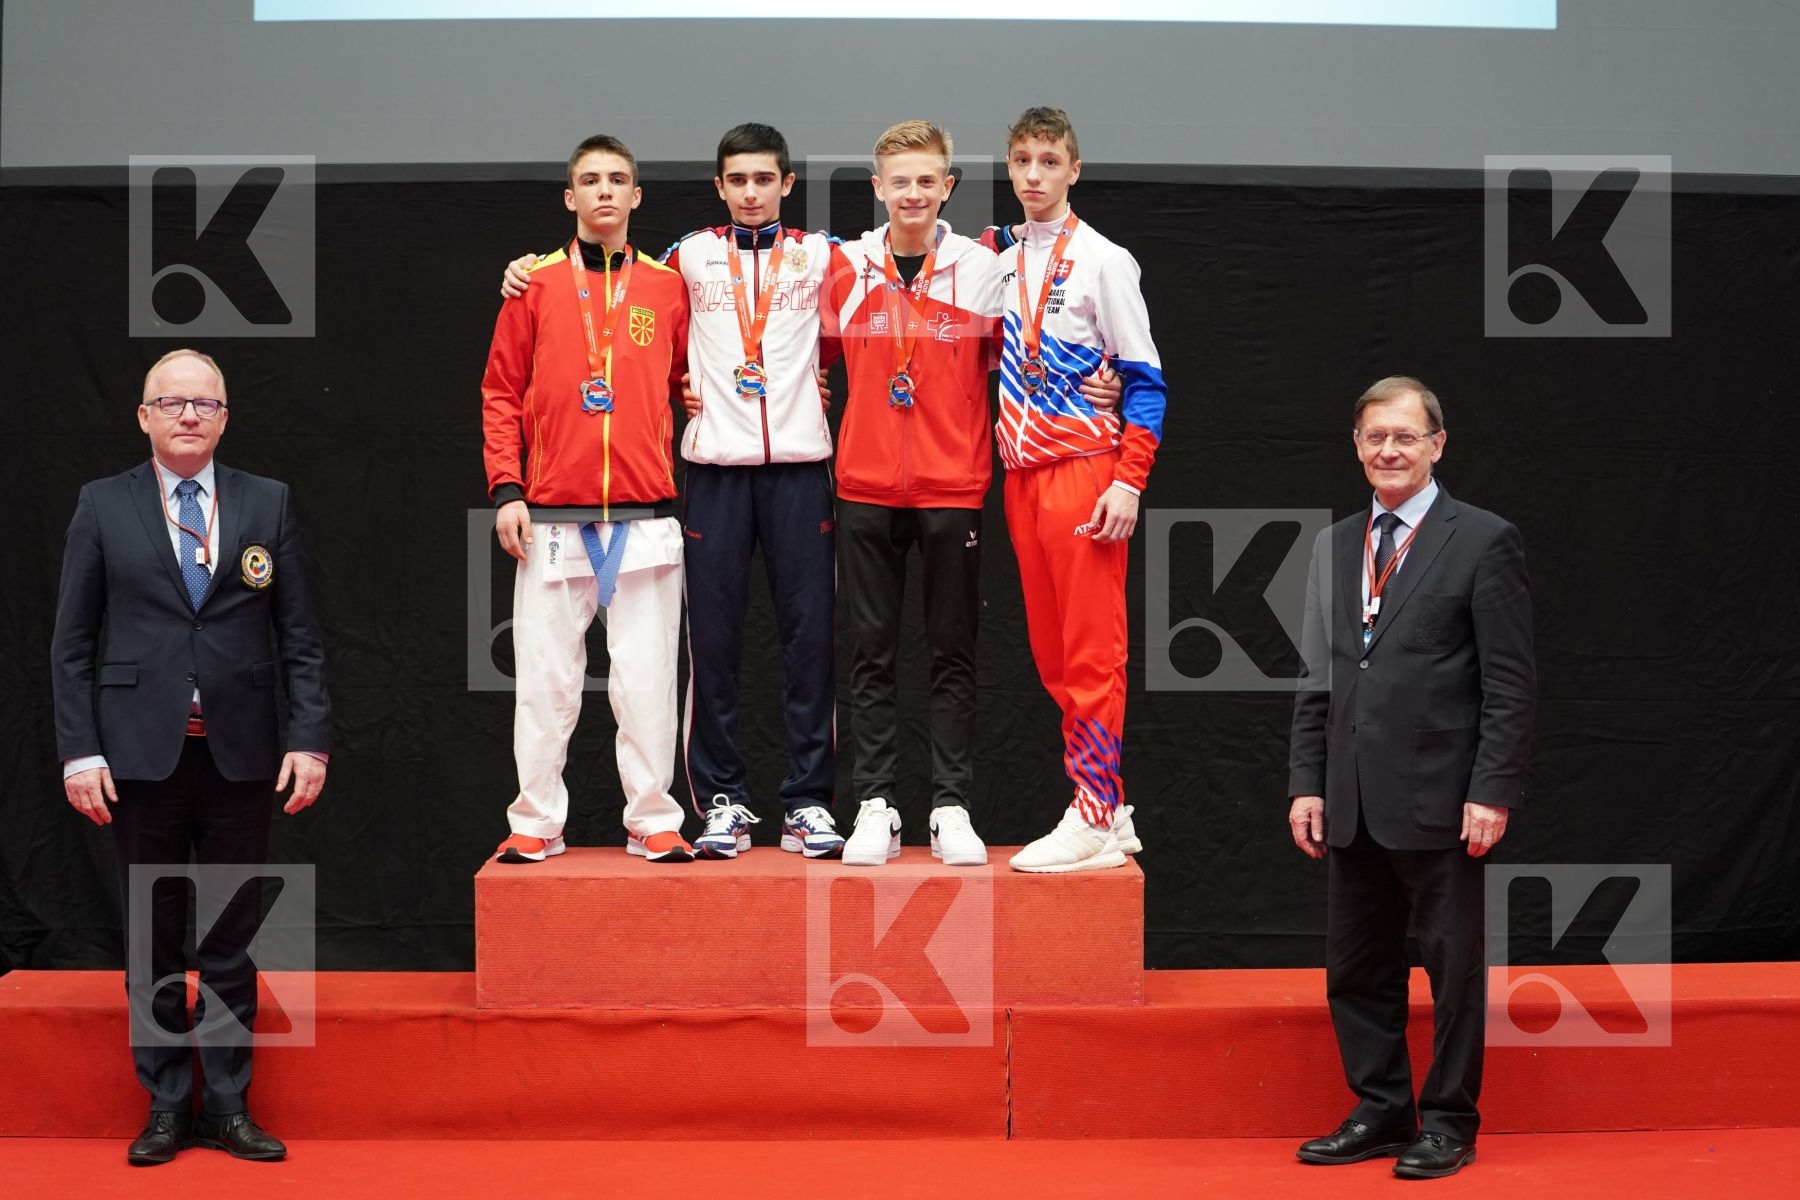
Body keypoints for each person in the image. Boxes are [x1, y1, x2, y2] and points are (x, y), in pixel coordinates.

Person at [504, 124, 848, 860]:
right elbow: (522, 377)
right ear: (718, 188)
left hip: (772, 477)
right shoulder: (673, 262)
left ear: (787, 184)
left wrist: (814, 383)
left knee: (792, 647)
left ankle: (796, 803)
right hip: (683, 481)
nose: (751, 191)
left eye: (765, 178)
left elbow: (885, 305)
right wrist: (507, 485)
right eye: (737, 180)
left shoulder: (809, 256)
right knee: (690, 654)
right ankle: (712, 803)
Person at [51, 348, 331, 1165]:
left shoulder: (266, 503)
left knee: (232, 938)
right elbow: (71, 645)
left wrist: (309, 736)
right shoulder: (102, 505)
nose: (187, 416)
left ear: (225, 416)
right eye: (170, 403)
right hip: (139, 757)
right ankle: (169, 1106)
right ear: (144, 417)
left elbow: (302, 637)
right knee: (152, 936)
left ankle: (231, 1105)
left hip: (243, 755)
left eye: (204, 404)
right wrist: (78, 752)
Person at [1286, 376, 1535, 1180]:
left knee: (1452, 968)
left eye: (1404, 436)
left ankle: (1450, 1121)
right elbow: (1318, 677)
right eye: (1373, 437)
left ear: (1437, 445)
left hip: (1444, 800)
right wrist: (1307, 782)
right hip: (1351, 798)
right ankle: (1383, 1109)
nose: (1388, 450)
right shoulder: (1333, 545)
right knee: (1355, 969)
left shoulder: (1485, 539)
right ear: (1356, 447)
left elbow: (1511, 682)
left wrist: (1492, 789)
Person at [483, 133, 693, 864]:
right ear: (571, 198)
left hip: (645, 514)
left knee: (647, 682)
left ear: (637, 197)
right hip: (550, 517)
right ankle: (536, 821)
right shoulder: (533, 285)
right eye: (590, 181)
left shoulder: (670, 287)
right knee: (544, 684)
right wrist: (507, 488)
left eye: (619, 181)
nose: (605, 191)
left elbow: (690, 384)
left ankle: (652, 817)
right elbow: (500, 392)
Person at [982, 107, 1167, 873]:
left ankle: (1090, 810)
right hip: (1020, 480)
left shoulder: (1104, 260)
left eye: (1048, 161)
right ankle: (1111, 805)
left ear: (1074, 170)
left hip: (1085, 475)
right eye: (1021, 160)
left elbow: (1147, 383)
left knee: (1093, 655)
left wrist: (1128, 482)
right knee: (1054, 657)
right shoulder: (991, 254)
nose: (1033, 175)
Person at [824, 120, 1001, 867]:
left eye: (928, 180)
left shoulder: (984, 269)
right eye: (900, 181)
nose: (914, 193)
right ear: (878, 188)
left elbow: (1019, 362)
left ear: (948, 186)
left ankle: (950, 805)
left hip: (952, 485)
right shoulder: (843, 267)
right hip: (864, 484)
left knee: (952, 652)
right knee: (870, 651)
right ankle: (875, 804)